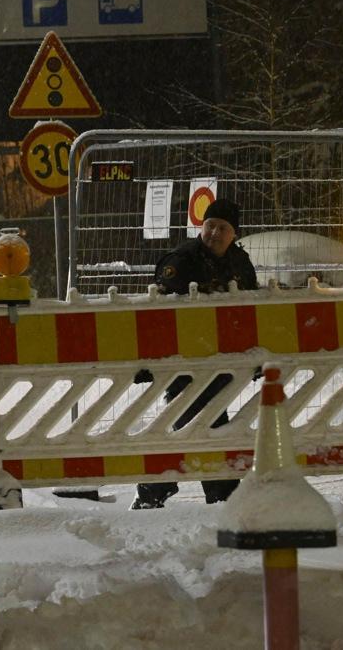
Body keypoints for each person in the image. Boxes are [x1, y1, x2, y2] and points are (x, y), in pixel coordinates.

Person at [132, 198, 259, 510]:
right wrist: (149, 360)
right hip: (182, 364)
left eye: (223, 228)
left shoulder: (240, 264)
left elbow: (254, 309)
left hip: (223, 362)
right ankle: (219, 496)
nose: (215, 232)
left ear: (235, 234)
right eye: (210, 225)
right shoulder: (182, 259)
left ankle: (159, 490)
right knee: (199, 423)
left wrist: (257, 355)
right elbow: (155, 313)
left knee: (202, 424)